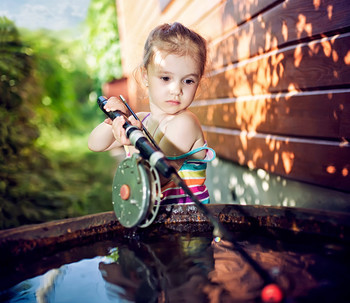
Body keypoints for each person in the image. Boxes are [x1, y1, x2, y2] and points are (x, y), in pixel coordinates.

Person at [88, 22, 215, 204]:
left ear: (198, 82)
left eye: (188, 81)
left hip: (186, 226)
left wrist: (132, 144)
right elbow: (94, 143)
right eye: (165, 78)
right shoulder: (141, 119)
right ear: (145, 76)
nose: (176, 89)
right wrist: (116, 120)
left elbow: (150, 180)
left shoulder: (185, 124)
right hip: (157, 225)